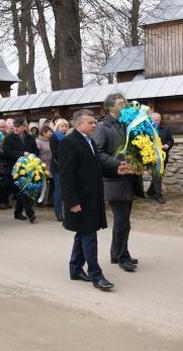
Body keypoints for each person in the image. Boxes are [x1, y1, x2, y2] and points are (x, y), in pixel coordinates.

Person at [59, 109, 130, 291]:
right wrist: (72, 202)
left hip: (92, 197)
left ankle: (75, 269)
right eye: (90, 122)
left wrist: (116, 170)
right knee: (89, 235)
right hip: (80, 200)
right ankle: (95, 274)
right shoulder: (69, 142)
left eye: (94, 122)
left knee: (83, 234)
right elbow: (66, 176)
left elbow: (97, 166)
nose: (94, 125)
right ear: (78, 124)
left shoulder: (89, 141)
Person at [93, 93, 144, 272]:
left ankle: (118, 254)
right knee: (123, 221)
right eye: (120, 102)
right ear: (109, 106)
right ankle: (122, 257)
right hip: (114, 179)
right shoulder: (102, 126)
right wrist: (117, 164)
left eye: (124, 102)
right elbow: (97, 152)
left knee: (124, 221)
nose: (124, 105)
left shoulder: (126, 123)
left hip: (129, 178)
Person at [2, 119, 39, 222]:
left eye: (18, 126)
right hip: (15, 168)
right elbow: (7, 152)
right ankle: (30, 213)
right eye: (15, 126)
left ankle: (18, 212)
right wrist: (22, 154)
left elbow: (35, 150)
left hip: (28, 167)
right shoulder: (9, 138)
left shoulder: (30, 138)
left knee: (23, 191)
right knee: (22, 190)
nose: (16, 128)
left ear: (24, 127)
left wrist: (33, 155)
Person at [146, 112, 174, 204]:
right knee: (157, 176)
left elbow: (171, 141)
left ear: (160, 120)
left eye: (157, 119)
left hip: (163, 157)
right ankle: (159, 196)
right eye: (154, 119)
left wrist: (167, 145)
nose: (156, 121)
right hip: (151, 157)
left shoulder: (165, 130)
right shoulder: (146, 130)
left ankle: (150, 192)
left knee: (157, 176)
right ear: (151, 120)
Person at [49, 118, 69, 221]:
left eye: (66, 126)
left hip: (68, 166)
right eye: (62, 126)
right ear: (57, 127)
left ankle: (67, 212)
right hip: (58, 167)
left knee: (67, 190)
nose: (64, 128)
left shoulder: (68, 137)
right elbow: (55, 152)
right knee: (59, 190)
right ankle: (59, 213)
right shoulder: (54, 137)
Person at [36, 125, 54, 207]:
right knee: (41, 183)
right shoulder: (38, 141)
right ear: (44, 133)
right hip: (42, 165)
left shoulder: (52, 141)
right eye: (49, 132)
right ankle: (39, 200)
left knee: (52, 183)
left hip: (51, 164)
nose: (51, 133)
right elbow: (36, 153)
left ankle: (50, 200)